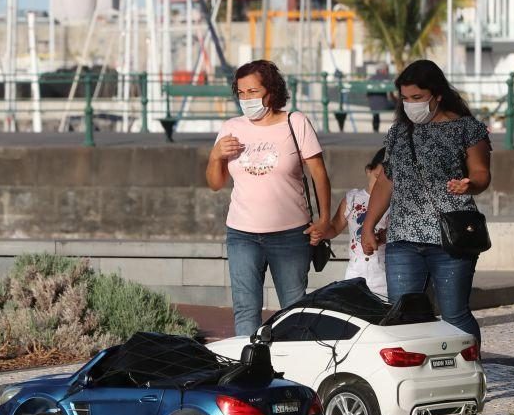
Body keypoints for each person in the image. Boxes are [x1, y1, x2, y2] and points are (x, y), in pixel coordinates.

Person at [360, 59, 491, 345]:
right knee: (402, 315)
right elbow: (386, 180)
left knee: (454, 314)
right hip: (403, 239)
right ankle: (417, 376)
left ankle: (468, 372)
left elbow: (481, 173)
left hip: (451, 238)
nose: (410, 104)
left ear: (437, 94)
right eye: (405, 98)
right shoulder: (398, 132)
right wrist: (368, 226)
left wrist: (470, 184)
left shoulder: (467, 128)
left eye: (417, 98)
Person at [207, 60, 333, 337]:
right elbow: (215, 183)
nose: (246, 99)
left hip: (289, 235)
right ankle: (247, 368)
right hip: (242, 234)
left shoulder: (295, 123)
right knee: (245, 308)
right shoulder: (231, 127)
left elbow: (319, 176)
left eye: (253, 91)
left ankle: (298, 366)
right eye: (241, 93)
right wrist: (215, 155)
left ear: (271, 91)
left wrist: (324, 220)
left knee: (295, 308)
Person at [327, 148, 389, 296]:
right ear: (368, 171)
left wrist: (382, 237)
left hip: (383, 271)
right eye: (377, 177)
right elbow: (334, 227)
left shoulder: (395, 202)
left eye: (386, 181)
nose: (380, 183)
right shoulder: (352, 198)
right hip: (355, 270)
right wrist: (322, 230)